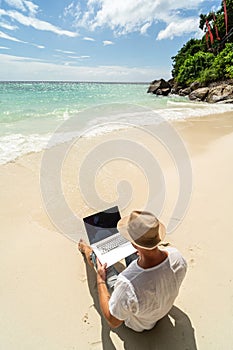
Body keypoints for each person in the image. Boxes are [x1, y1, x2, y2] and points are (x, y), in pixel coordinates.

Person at [78, 210, 187, 332]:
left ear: (134, 245)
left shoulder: (126, 284)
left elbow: (112, 321)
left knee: (99, 259)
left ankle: (87, 251)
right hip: (159, 311)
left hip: (139, 324)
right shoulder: (178, 258)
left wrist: (100, 280)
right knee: (132, 257)